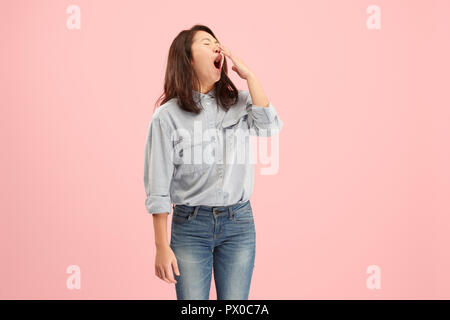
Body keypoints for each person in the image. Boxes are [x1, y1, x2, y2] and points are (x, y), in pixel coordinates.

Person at [143, 24, 283, 300]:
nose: (216, 46)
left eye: (217, 42)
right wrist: (161, 245)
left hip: (239, 223)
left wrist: (250, 76)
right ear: (187, 58)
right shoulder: (166, 117)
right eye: (206, 43)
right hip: (190, 226)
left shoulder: (241, 103)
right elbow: (157, 184)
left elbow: (269, 128)